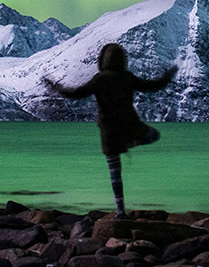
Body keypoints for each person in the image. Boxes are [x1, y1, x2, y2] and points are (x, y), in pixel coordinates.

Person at [44, 42, 178, 219]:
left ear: (103, 60)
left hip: (108, 130)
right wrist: (168, 76)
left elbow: (76, 93)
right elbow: (151, 86)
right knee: (154, 135)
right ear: (123, 60)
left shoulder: (100, 79)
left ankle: (120, 211)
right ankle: (130, 143)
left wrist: (56, 87)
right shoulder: (127, 77)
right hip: (130, 125)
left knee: (115, 173)